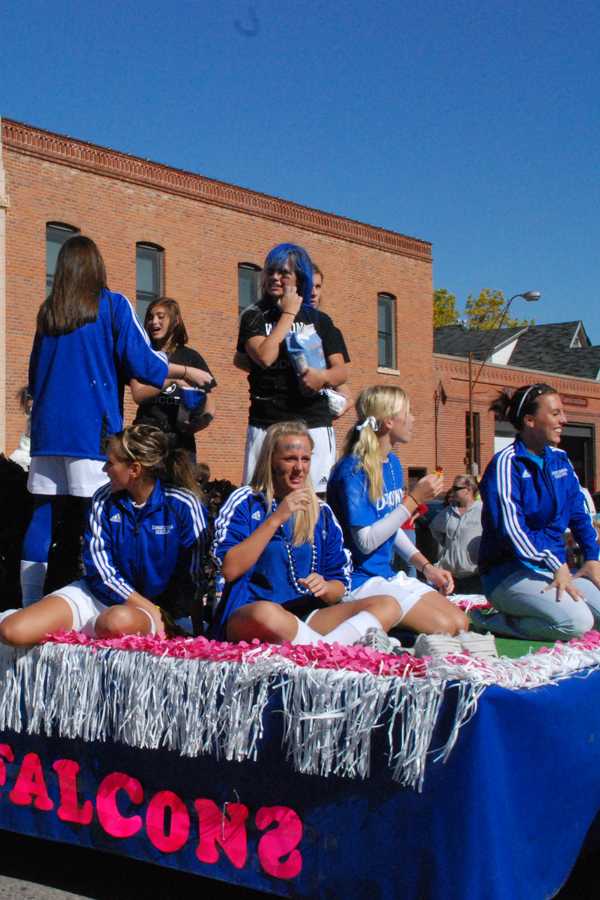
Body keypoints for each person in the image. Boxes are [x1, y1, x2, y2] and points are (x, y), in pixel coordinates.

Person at [21, 236, 212, 606]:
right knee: (98, 514)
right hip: (91, 430)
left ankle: (29, 603)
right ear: (98, 268)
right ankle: (94, 601)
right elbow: (142, 360)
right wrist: (186, 372)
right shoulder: (111, 305)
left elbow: (34, 374)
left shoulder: (49, 313)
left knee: (43, 515)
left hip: (47, 432)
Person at [0, 425, 207, 645]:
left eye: (110, 462)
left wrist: (175, 616)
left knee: (114, 623)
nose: (104, 469)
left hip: (150, 609)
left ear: (135, 469)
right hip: (98, 596)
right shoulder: (103, 498)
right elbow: (100, 570)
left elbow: (193, 573)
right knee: (12, 631)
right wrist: (148, 608)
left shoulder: (183, 505)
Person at [211, 421, 410, 647]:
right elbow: (230, 569)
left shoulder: (321, 512)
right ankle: (331, 649)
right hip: (251, 614)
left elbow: (339, 587)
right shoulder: (247, 502)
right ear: (271, 461)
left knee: (389, 605)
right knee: (267, 614)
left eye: (305, 459)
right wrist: (277, 518)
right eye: (289, 459)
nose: (299, 468)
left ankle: (317, 648)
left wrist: (325, 587)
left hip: (305, 615)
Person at [327, 386, 470, 637]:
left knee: (460, 622)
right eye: (409, 412)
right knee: (445, 628)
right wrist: (414, 500)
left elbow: (391, 529)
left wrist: (427, 568)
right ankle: (380, 634)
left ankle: (391, 631)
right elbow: (366, 542)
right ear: (389, 421)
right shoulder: (353, 470)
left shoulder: (391, 462)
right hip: (358, 581)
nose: (413, 418)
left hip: (386, 575)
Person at [473, 383, 600, 641]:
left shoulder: (560, 459)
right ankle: (494, 622)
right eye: (555, 414)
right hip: (508, 574)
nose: (564, 420)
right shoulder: (506, 464)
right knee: (577, 622)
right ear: (530, 420)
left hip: (556, 569)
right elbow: (512, 531)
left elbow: (578, 513)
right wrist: (556, 564)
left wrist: (592, 557)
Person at [235, 243, 350, 492]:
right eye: (271, 271)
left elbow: (341, 371)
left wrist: (322, 377)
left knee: (315, 500)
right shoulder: (254, 315)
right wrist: (288, 313)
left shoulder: (319, 320)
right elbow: (265, 356)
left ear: (299, 278)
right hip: (267, 422)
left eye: (284, 273)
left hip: (313, 421)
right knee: (260, 496)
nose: (276, 277)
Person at [133, 297, 216, 462]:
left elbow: (209, 400)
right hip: (147, 437)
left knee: (183, 487)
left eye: (160, 316)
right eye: (150, 317)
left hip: (181, 441)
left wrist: (202, 422)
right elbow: (138, 395)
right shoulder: (143, 354)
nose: (154, 321)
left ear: (176, 321)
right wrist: (173, 380)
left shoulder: (191, 357)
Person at [430, 475, 483, 594]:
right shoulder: (449, 511)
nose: (452, 491)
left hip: (475, 577)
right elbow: (434, 528)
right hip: (450, 577)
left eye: (456, 488)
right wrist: (446, 543)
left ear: (468, 490)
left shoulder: (482, 510)